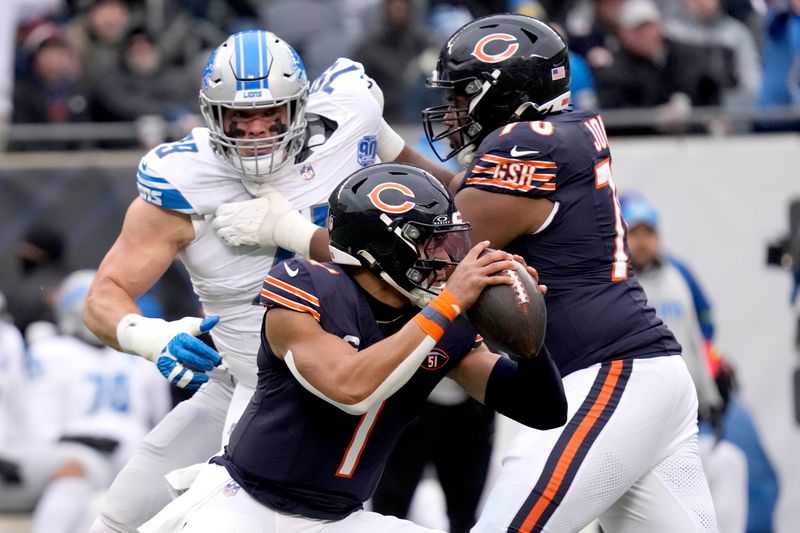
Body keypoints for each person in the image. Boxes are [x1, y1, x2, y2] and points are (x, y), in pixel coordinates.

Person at [83, 29, 454, 533]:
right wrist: (154, 335)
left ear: (299, 107)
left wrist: (295, 231)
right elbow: (103, 297)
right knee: (120, 516)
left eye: (270, 113)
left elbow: (435, 196)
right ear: (212, 115)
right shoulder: (185, 179)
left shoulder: (350, 112)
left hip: (317, 390)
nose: (256, 128)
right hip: (237, 377)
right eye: (239, 116)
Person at [140, 163, 568, 533]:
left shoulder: (443, 319)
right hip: (244, 506)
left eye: (448, 240)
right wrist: (448, 304)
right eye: (430, 241)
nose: (445, 256)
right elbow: (349, 388)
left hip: (341, 520)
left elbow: (542, 410)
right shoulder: (307, 284)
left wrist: (526, 331)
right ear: (381, 247)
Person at [422, 14, 717, 532]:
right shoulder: (558, 136)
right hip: (644, 374)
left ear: (506, 92)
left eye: (463, 94)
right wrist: (382, 142)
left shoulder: (526, 144)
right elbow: (459, 207)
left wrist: (300, 229)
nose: (452, 113)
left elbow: (430, 252)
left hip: (607, 375)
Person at [1, 270, 170, 533]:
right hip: (79, 451)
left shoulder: (141, 356)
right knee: (73, 476)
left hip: (139, 450)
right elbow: (39, 427)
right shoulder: (51, 353)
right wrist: (82, 440)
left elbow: (162, 420)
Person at [620, 193, 748, 533]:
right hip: (634, 424)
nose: (643, 241)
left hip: (685, 418)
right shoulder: (614, 283)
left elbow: (699, 334)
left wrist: (710, 396)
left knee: (728, 464)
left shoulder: (678, 276)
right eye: (636, 233)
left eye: (649, 233)